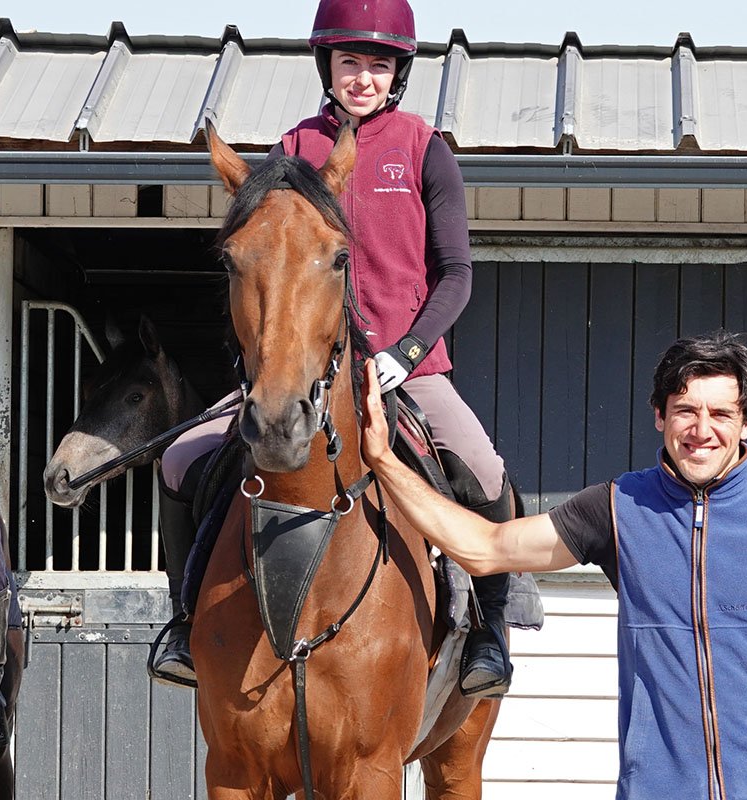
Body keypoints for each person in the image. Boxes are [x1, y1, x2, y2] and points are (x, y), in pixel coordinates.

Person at [154, 0, 516, 698]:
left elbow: (457, 274)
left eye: (378, 65)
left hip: (408, 368)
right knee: (178, 461)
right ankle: (183, 620)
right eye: (350, 62)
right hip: (301, 368)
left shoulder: (424, 150)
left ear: (397, 74)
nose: (362, 78)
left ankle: (489, 633)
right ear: (328, 66)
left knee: (483, 469)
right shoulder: (291, 151)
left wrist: (408, 351)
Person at [360, 330, 747, 799]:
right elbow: (485, 547)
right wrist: (383, 460)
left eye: (721, 414)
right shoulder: (618, 507)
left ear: (746, 422)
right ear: (659, 416)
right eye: (685, 410)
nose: (701, 430)